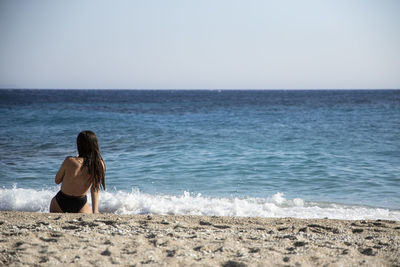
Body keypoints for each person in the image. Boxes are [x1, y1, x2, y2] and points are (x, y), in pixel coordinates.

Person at [50, 131, 106, 213]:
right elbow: (95, 189)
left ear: (79, 145)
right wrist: (95, 210)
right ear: (95, 145)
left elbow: (57, 180)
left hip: (60, 201)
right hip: (81, 203)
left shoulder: (69, 161)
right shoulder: (98, 164)